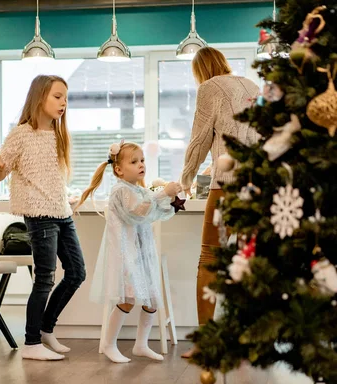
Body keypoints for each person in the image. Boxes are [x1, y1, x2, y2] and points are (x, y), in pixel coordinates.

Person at [0, 75, 86, 361]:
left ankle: (45, 329)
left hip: (61, 212)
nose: (63, 103)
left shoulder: (57, 134)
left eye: (65, 98)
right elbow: (1, 173)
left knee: (77, 273)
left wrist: (66, 196)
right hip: (39, 214)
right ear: (39, 97)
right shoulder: (21, 133)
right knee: (44, 277)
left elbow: (50, 177)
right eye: (57, 96)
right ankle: (31, 343)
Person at [180, 47, 259, 358]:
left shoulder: (209, 87)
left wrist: (185, 179)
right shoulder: (251, 86)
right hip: (258, 186)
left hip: (227, 186)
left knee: (210, 260)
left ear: (201, 69)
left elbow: (200, 139)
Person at [77, 141, 181, 363]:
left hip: (143, 255)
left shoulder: (140, 189)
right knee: (128, 299)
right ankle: (108, 344)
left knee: (152, 300)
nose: (141, 164)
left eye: (142, 160)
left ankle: (141, 345)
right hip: (127, 254)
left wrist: (170, 199)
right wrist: (162, 193)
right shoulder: (121, 190)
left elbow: (155, 211)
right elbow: (138, 211)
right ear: (119, 169)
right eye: (134, 161)